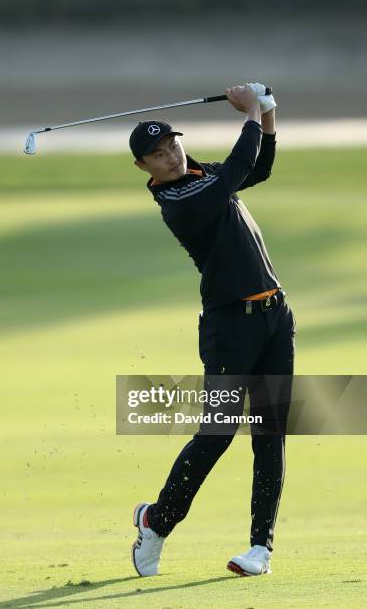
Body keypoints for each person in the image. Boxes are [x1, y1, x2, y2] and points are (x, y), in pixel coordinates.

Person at [128, 83, 296, 577]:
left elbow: (258, 167)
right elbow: (236, 175)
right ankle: (156, 523)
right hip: (229, 329)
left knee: (270, 433)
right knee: (218, 432)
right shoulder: (179, 200)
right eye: (158, 155)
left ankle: (260, 549)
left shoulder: (203, 173)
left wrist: (267, 113)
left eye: (172, 145)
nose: (171, 156)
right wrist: (247, 115)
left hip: (275, 318)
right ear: (144, 168)